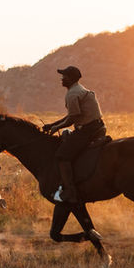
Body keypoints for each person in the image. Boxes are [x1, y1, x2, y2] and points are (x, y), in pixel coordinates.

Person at [42, 66, 105, 204]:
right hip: (98, 127)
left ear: (70, 79)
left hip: (87, 131)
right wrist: (52, 124)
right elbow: (72, 115)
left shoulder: (72, 94)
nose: (62, 79)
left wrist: (56, 127)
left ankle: (70, 191)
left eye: (64, 76)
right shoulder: (79, 90)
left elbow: (72, 118)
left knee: (61, 155)